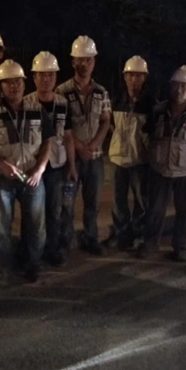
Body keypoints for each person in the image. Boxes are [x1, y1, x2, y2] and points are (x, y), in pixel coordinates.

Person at [0, 60, 53, 282]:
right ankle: (4, 268)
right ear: (0, 86)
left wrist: (40, 169)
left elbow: (47, 142)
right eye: (8, 82)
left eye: (17, 81)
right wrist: (1, 164)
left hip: (32, 175)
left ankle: (32, 264)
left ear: (24, 84)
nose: (14, 86)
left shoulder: (37, 109)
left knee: (36, 226)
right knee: (1, 228)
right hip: (3, 177)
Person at [138, 65, 186, 262]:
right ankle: (150, 244)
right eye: (176, 85)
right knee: (155, 210)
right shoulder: (158, 110)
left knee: (184, 211)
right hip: (160, 169)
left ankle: (180, 247)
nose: (179, 90)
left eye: (184, 86)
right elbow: (148, 135)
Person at [57, 35, 111, 255]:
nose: (84, 64)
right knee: (66, 204)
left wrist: (94, 144)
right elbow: (60, 125)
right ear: (73, 62)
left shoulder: (101, 92)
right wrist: (80, 147)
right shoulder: (62, 91)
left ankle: (90, 238)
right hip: (71, 158)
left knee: (93, 204)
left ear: (94, 61)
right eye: (80, 59)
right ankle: (65, 242)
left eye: (88, 59)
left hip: (95, 158)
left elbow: (106, 120)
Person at [27, 51, 77, 266]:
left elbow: (68, 136)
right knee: (34, 214)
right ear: (34, 77)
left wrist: (72, 166)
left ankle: (53, 250)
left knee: (55, 212)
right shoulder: (27, 103)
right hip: (34, 167)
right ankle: (32, 254)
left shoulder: (63, 103)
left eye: (50, 74)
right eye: (41, 74)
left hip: (57, 166)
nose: (46, 79)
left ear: (56, 77)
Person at [104, 55, 156, 251]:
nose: (134, 79)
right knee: (118, 202)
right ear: (125, 77)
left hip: (139, 160)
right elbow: (109, 124)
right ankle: (121, 235)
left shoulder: (150, 103)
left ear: (144, 78)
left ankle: (139, 235)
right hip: (118, 158)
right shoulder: (117, 99)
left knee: (142, 202)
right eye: (131, 75)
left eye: (138, 76)